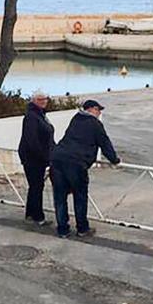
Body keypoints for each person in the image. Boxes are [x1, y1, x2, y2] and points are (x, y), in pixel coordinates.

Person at [50, 99, 120, 238]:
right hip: (76, 163)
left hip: (58, 158)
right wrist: (114, 160)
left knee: (60, 196)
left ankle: (62, 229)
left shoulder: (75, 119)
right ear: (92, 109)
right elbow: (105, 143)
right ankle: (82, 228)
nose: (100, 113)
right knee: (80, 196)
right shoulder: (95, 124)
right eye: (98, 110)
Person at [18, 91, 55, 226]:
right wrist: (44, 157)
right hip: (32, 158)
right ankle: (38, 217)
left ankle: (30, 213)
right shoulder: (32, 117)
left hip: (37, 157)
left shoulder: (40, 115)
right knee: (37, 186)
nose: (44, 101)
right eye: (40, 99)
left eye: (45, 99)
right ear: (34, 101)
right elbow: (32, 140)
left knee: (34, 186)